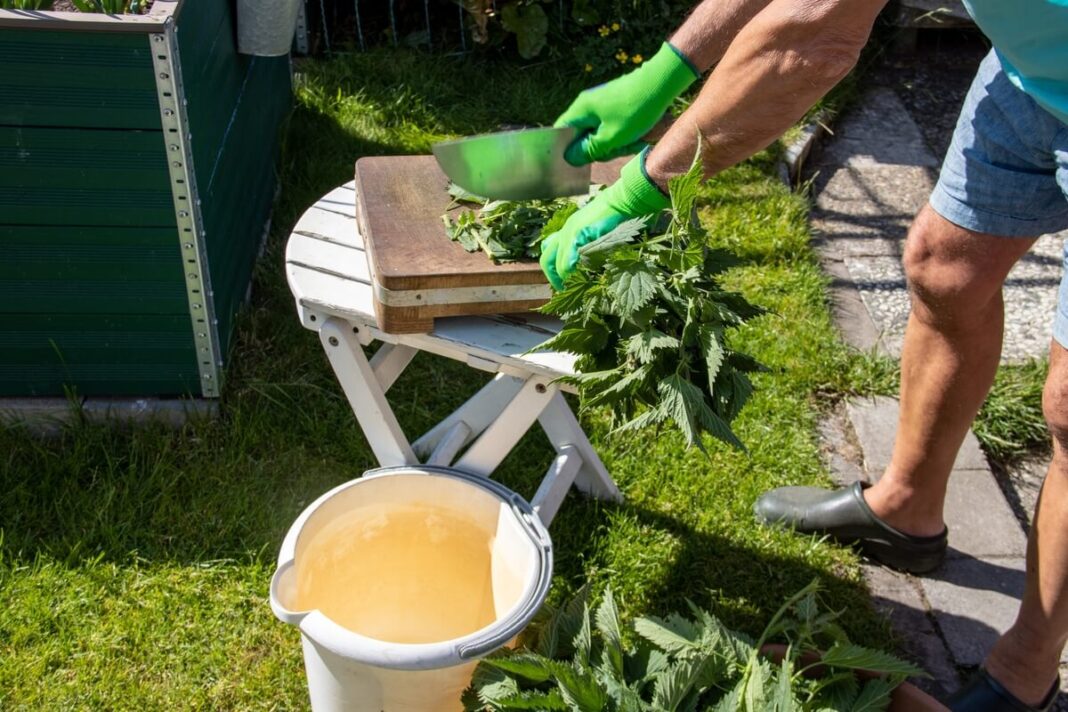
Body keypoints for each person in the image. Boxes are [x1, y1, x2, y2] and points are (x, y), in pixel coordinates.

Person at [542, 1, 1068, 709]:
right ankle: (904, 514)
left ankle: (1024, 670)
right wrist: (667, 69)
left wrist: (647, 185)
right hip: (1034, 70)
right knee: (944, 269)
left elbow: (814, 36)